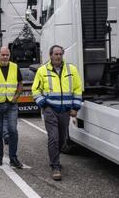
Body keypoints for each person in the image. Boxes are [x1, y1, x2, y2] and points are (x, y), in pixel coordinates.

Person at [32, 45, 82, 181]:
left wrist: (75, 107)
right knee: (53, 137)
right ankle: (55, 166)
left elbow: (78, 89)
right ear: (50, 55)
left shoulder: (72, 70)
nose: (58, 56)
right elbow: (35, 90)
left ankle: (55, 158)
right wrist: (44, 104)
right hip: (50, 109)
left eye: (60, 54)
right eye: (56, 54)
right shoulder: (42, 71)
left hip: (65, 110)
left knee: (62, 138)